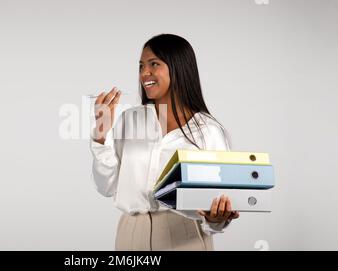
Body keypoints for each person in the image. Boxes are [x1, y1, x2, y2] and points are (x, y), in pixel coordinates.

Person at [90, 34, 239, 251]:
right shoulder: (130, 120)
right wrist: (101, 134)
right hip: (131, 235)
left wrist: (216, 218)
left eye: (154, 64)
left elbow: (217, 206)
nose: (144, 73)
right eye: (141, 66)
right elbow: (106, 186)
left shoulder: (208, 131)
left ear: (178, 68)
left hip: (184, 236)